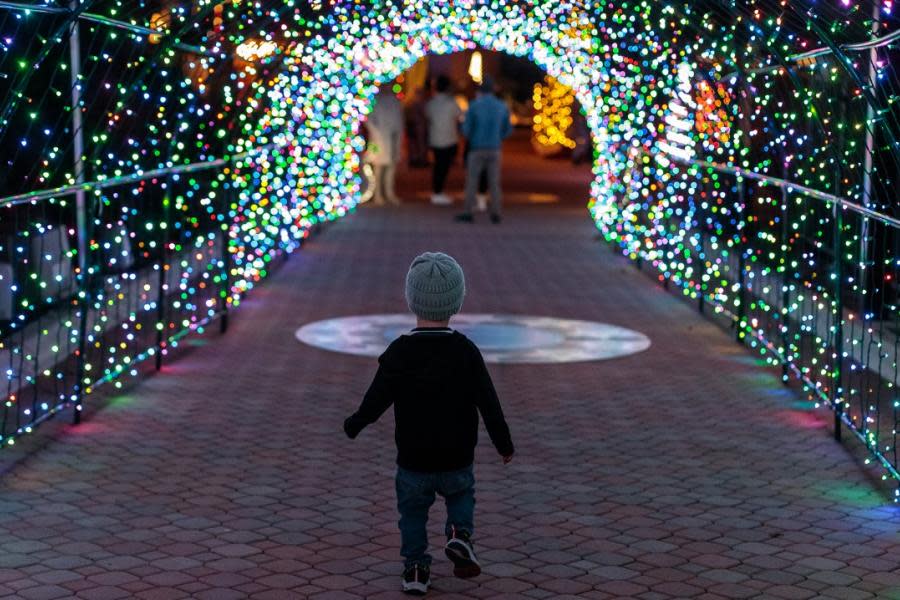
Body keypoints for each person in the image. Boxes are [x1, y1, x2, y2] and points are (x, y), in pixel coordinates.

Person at [343, 252, 515, 596]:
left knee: (412, 514)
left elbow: (378, 396)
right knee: (462, 494)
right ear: (457, 301)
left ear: (411, 299)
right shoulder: (466, 351)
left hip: (413, 457)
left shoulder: (400, 351)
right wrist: (503, 443)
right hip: (457, 454)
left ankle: (417, 568)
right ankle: (458, 534)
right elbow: (488, 402)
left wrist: (356, 422)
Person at [456, 77, 512, 224]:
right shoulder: (502, 106)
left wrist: (469, 135)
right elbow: (508, 129)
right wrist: (498, 137)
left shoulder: (474, 105)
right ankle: (496, 212)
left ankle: (468, 211)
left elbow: (466, 129)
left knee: (472, 180)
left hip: (476, 147)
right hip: (494, 148)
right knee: (494, 182)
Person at [424, 76, 462, 206]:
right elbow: (460, 116)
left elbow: (427, 116)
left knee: (438, 166)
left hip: (435, 139)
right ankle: (438, 192)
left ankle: (437, 191)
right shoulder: (451, 102)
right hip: (449, 139)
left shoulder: (431, 103)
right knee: (443, 167)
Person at [365, 84, 404, 205]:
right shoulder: (375, 101)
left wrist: (399, 134)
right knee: (378, 167)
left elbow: (399, 120)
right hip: (378, 139)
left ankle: (389, 193)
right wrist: (377, 133)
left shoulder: (394, 101)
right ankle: (378, 194)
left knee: (391, 167)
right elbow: (369, 120)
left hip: (392, 137)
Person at [406, 87, 430, 168]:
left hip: (419, 127)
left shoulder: (418, 104)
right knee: (416, 144)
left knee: (419, 144)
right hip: (416, 127)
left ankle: (420, 159)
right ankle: (417, 159)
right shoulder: (413, 104)